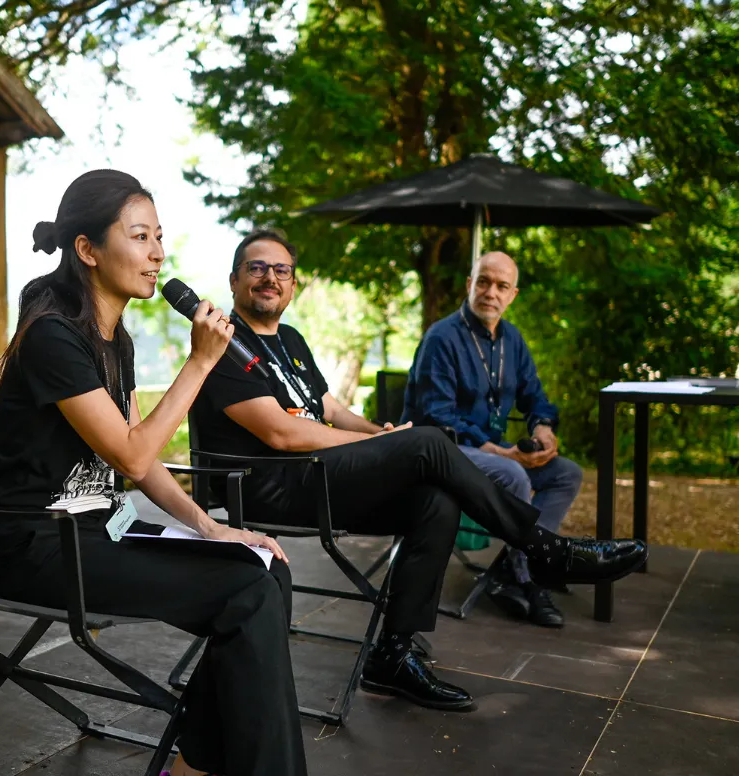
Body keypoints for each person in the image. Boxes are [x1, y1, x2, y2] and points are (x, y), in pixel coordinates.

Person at [191, 228, 648, 714]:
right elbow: (283, 435)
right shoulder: (222, 343)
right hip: (269, 486)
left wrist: (375, 430)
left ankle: (392, 653)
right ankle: (546, 549)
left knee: (437, 498)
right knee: (429, 439)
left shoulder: (291, 340)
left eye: (281, 270)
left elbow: (328, 407)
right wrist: (387, 443)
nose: (270, 278)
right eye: (257, 268)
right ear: (235, 281)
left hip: (318, 475)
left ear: (294, 285)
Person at [0, 171, 307, 776]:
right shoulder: (53, 334)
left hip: (99, 529)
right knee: (245, 591)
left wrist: (211, 528)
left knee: (264, 568)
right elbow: (130, 455)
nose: (158, 253)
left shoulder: (116, 339)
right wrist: (201, 362)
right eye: (140, 236)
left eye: (159, 236)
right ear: (88, 250)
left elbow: (142, 460)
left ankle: (194, 764)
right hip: (38, 546)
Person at [402, 251, 582, 629]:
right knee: (512, 475)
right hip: (439, 452)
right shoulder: (442, 337)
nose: (490, 292)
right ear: (470, 285)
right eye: (483, 282)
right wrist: (501, 451)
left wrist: (543, 428)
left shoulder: (512, 339)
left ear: (512, 295)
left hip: (489, 454)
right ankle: (525, 578)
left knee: (566, 473)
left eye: (502, 286)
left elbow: (534, 396)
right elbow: (438, 416)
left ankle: (509, 569)